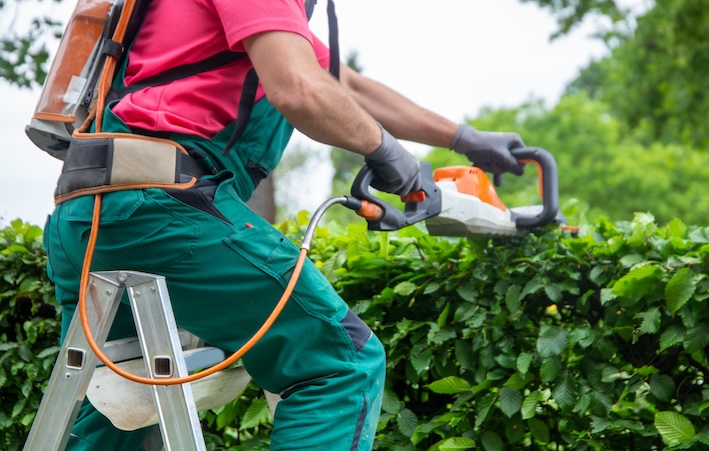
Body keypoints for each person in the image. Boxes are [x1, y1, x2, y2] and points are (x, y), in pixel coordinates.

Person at [42, 0, 526, 449]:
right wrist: (388, 154)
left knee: (111, 397)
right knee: (339, 363)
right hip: (160, 207)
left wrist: (464, 138)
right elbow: (300, 88)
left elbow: (345, 86)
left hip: (86, 212)